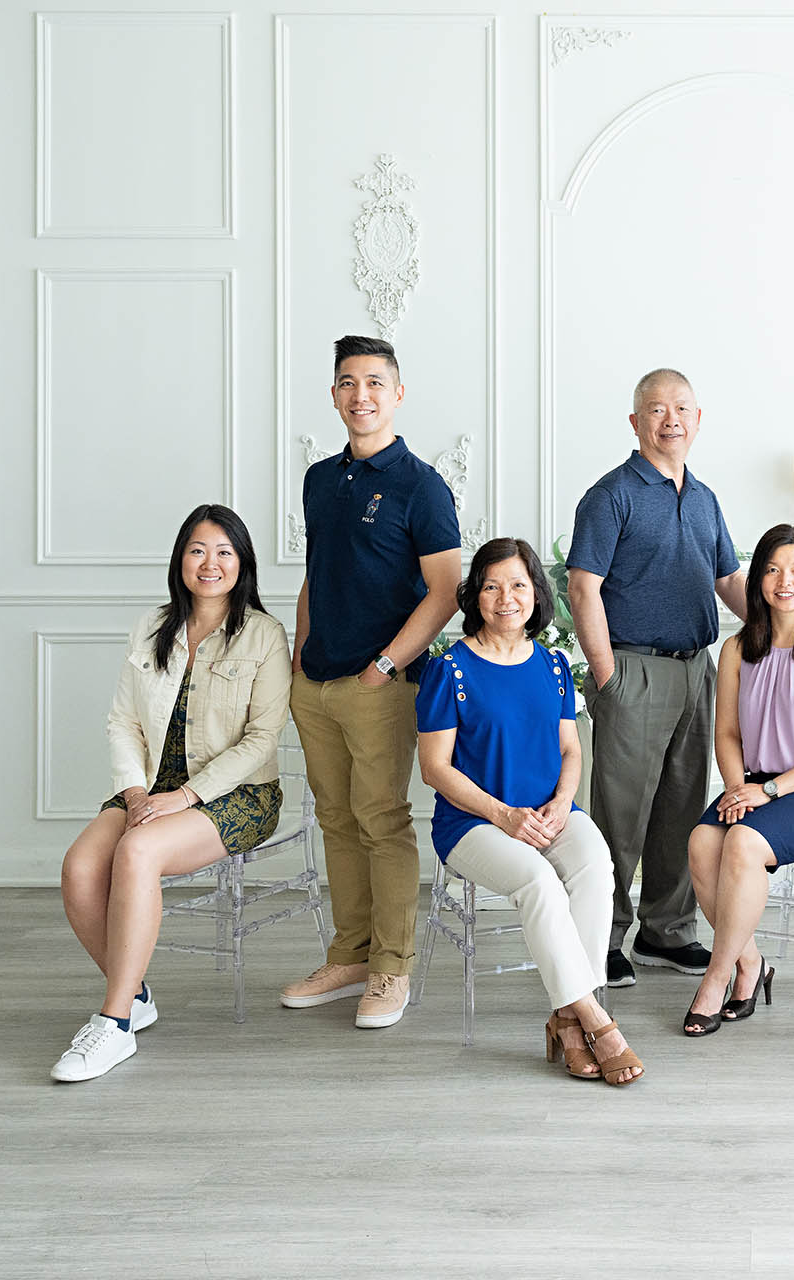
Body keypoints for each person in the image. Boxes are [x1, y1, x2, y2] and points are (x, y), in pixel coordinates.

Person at [53, 505, 290, 1082]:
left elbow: (261, 741)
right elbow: (123, 722)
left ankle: (113, 1025)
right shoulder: (150, 628)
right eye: (197, 550)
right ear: (180, 559)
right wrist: (136, 794)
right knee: (81, 869)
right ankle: (133, 993)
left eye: (224, 552)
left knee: (137, 853)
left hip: (236, 796)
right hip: (150, 788)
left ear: (243, 563)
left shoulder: (264, 635)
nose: (210, 564)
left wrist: (185, 797)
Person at [279, 335, 462, 1029]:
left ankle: (391, 968)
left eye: (376, 383)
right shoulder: (321, 479)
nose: (362, 395)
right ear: (334, 395)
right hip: (317, 683)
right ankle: (349, 954)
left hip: (383, 685)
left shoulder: (421, 484)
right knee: (336, 819)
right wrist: (301, 656)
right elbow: (315, 574)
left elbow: (445, 591)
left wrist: (384, 665)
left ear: (397, 394)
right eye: (348, 383)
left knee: (382, 822)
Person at [415, 539, 643, 1085]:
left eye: (518, 585)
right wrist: (505, 816)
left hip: (549, 811)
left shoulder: (555, 664)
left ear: (535, 594)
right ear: (476, 595)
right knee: (539, 881)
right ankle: (593, 1018)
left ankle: (567, 1019)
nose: (505, 597)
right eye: (491, 585)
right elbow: (435, 769)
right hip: (473, 824)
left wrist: (563, 803)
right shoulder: (449, 668)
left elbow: (571, 749)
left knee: (595, 867)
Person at [567, 368, 749, 989]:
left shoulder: (704, 500)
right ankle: (604, 935)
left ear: (698, 419)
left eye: (681, 408)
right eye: (655, 409)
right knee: (620, 814)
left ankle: (666, 931)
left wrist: (789, 633)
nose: (670, 418)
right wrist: (608, 675)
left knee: (681, 808)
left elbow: (728, 581)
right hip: (632, 671)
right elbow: (582, 587)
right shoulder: (611, 494)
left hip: (697, 670)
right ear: (635, 421)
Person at [682, 525, 794, 1036]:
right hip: (754, 783)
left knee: (741, 844)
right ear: (758, 579)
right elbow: (726, 732)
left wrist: (768, 792)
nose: (783, 581)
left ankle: (716, 980)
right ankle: (750, 963)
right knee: (703, 842)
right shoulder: (738, 649)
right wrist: (738, 786)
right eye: (771, 569)